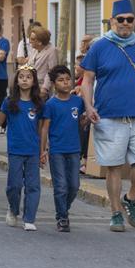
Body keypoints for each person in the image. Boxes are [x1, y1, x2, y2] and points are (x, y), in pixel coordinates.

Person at [81, 0, 135, 232]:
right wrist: (89, 106)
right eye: (120, 19)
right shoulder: (99, 47)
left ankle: (130, 198)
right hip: (109, 116)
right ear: (111, 21)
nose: (125, 23)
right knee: (113, 167)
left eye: (129, 20)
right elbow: (88, 80)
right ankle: (115, 212)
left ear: (134, 22)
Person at [0, 64, 43, 231]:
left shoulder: (38, 103)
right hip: (15, 150)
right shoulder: (9, 102)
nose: (24, 80)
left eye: (28, 77)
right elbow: (0, 121)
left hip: (33, 151)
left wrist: (44, 150)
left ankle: (29, 218)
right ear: (16, 81)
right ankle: (13, 209)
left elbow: (43, 128)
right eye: (21, 77)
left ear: (34, 81)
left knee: (33, 185)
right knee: (14, 185)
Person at [39, 65, 83, 232]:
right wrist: (42, 150)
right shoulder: (51, 104)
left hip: (74, 149)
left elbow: (84, 119)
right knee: (61, 186)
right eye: (61, 80)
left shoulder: (78, 102)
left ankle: (64, 208)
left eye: (67, 79)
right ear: (54, 84)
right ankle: (62, 217)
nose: (65, 83)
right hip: (56, 150)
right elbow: (44, 128)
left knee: (74, 185)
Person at [28, 25, 58, 99]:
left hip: (42, 88)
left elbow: (51, 71)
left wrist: (45, 88)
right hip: (31, 85)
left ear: (39, 42)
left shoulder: (51, 51)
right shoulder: (34, 49)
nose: (29, 41)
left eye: (32, 39)